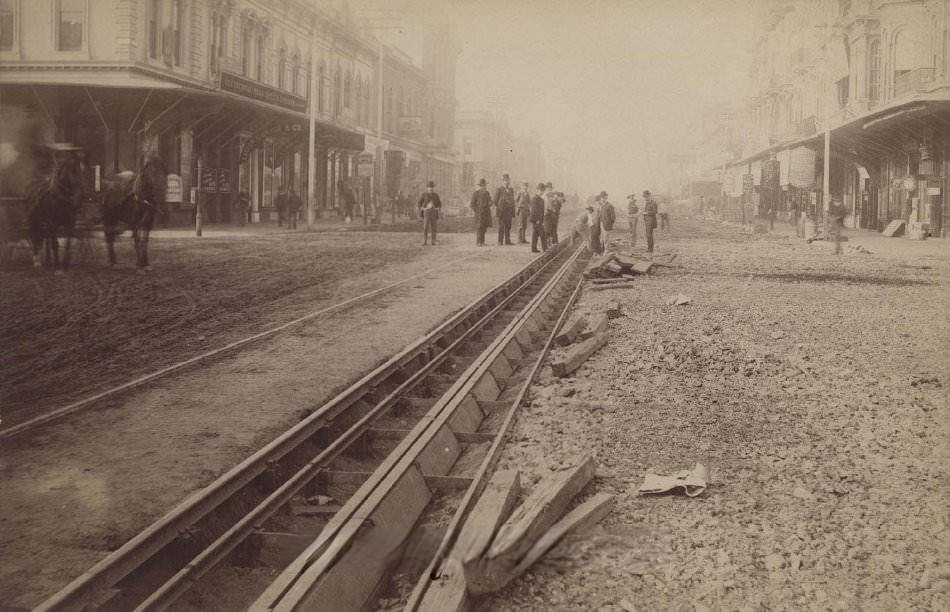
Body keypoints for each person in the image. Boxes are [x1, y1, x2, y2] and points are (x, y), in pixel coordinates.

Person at [494, 173, 516, 245]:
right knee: (501, 227)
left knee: (508, 226)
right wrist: (500, 207)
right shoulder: (499, 189)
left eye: (508, 180)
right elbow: (495, 201)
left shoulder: (511, 190)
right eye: (505, 180)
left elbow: (512, 200)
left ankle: (507, 241)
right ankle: (500, 241)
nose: (506, 182)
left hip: (509, 212)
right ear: (502, 181)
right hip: (502, 212)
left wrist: (512, 210)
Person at [470, 178, 493, 246]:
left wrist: (491, 202)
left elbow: (490, 200)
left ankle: (482, 242)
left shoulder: (487, 193)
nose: (484, 187)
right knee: (479, 227)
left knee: (484, 227)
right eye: (483, 185)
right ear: (480, 186)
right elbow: (472, 204)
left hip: (486, 213)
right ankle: (478, 242)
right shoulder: (476, 193)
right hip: (479, 214)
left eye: (485, 185)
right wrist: (477, 211)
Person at [418, 180, 442, 245]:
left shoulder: (436, 195)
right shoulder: (424, 195)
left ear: (433, 188)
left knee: (434, 227)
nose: (430, 188)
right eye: (429, 187)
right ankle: (424, 241)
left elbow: (440, 203)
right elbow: (419, 203)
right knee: (425, 227)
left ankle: (433, 241)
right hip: (426, 213)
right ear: (427, 188)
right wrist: (423, 209)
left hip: (434, 213)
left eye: (432, 187)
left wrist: (438, 208)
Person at [529, 182, 548, 253]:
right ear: (537, 190)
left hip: (539, 220)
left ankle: (533, 249)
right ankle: (545, 248)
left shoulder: (541, 199)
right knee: (542, 234)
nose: (542, 192)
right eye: (541, 190)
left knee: (535, 234)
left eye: (543, 190)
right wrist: (536, 220)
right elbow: (534, 210)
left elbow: (541, 211)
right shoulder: (535, 199)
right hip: (536, 220)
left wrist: (541, 219)